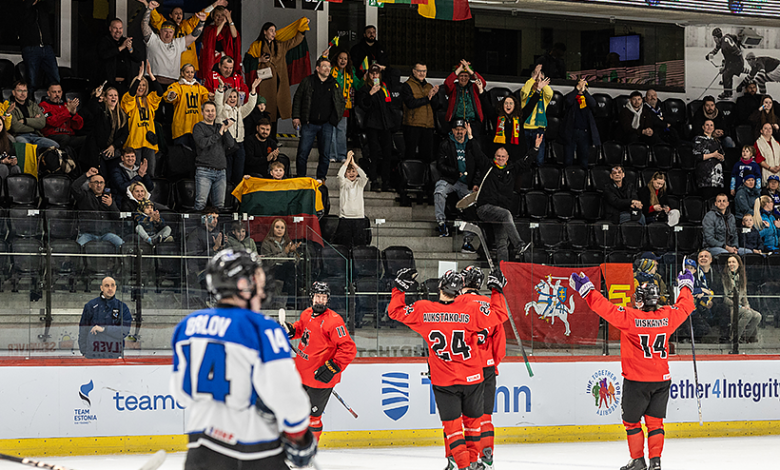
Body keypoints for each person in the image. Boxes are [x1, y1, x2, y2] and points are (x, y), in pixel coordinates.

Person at [170, 249, 317, 470]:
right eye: (257, 275)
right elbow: (288, 398)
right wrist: (299, 436)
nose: (263, 281)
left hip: (201, 452)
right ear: (242, 284)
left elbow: (180, 393)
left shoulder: (187, 327)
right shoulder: (261, 328)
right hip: (255, 454)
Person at [568, 269, 695, 470]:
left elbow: (604, 307)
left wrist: (587, 289)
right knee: (656, 424)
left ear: (641, 301)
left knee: (632, 422)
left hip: (637, 380)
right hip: (661, 380)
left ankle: (638, 460)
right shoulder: (668, 316)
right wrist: (686, 285)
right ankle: (656, 462)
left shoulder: (630, 318)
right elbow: (686, 305)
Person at [388, 268, 508, 470]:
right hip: (476, 374)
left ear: (441, 287)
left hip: (445, 377)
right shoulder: (471, 309)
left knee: (452, 428)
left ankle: (458, 463)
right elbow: (500, 325)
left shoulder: (426, 310)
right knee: (476, 425)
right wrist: (497, 291)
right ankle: (480, 461)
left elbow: (395, 312)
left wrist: (399, 289)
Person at [282, 282, 357, 442]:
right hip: (301, 375)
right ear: (312, 298)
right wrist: (291, 329)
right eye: (318, 297)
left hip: (320, 378)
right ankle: (294, 445)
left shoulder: (334, 321)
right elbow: (302, 329)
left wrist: (333, 367)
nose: (320, 301)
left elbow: (349, 349)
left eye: (324, 298)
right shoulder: (307, 313)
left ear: (328, 300)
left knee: (312, 418)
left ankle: (309, 451)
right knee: (296, 412)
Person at [460, 266, 505, 470]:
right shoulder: (491, 305)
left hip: (464, 368)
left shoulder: (454, 305)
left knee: (466, 418)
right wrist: (492, 363)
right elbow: (500, 345)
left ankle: (469, 460)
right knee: (485, 417)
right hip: (486, 369)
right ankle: (488, 459)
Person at [476, 139, 541, 262]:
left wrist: (535, 149)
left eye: (502, 156)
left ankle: (503, 273)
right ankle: (519, 245)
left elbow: (525, 163)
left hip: (501, 213)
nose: (500, 158)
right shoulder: (488, 166)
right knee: (506, 214)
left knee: (502, 243)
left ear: (507, 158)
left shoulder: (511, 169)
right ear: (494, 157)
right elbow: (478, 154)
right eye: (498, 156)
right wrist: (471, 137)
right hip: (485, 208)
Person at [245, 20, 310, 139]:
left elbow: (295, 41)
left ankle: (272, 141)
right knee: (264, 113)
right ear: (264, 32)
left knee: (276, 113)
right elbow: (247, 61)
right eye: (271, 30)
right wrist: (259, 60)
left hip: (279, 84)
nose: (274, 33)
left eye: (275, 31)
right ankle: (262, 140)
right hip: (264, 85)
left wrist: (302, 28)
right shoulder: (257, 45)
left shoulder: (280, 45)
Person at [292, 57, 345, 180]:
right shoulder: (307, 81)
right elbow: (297, 99)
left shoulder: (334, 83)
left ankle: (321, 179)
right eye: (325, 66)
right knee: (302, 153)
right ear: (317, 68)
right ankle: (301, 179)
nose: (328, 69)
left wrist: (334, 120)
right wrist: (296, 117)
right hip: (309, 123)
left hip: (327, 124)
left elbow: (340, 102)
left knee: (325, 155)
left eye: (329, 66)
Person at [433, 119, 479, 249]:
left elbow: (479, 165)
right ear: (452, 131)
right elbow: (440, 165)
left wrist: (475, 183)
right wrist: (454, 172)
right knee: (439, 192)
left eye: (462, 129)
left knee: (473, 203)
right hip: (450, 179)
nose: (459, 132)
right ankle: (441, 223)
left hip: (467, 183)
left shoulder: (472, 144)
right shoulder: (446, 144)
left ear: (466, 130)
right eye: (457, 130)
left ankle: (467, 241)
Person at [139, 0, 206, 86]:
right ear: (160, 31)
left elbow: (194, 35)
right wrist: (149, 9)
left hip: (172, 84)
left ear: (173, 33)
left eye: (170, 32)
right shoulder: (153, 40)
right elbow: (144, 24)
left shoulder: (178, 43)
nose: (168, 34)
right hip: (153, 81)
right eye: (165, 31)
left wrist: (202, 22)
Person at [151, 0, 227, 73]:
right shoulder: (165, 25)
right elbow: (155, 17)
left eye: (180, 13)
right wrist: (150, 6)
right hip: (171, 65)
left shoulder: (188, 24)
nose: (179, 15)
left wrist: (215, 4)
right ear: (170, 15)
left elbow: (202, 14)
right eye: (176, 13)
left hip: (189, 65)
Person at [357, 64, 398, 191]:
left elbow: (395, 73)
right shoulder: (365, 89)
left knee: (387, 154)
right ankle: (374, 180)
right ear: (368, 75)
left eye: (377, 73)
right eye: (372, 73)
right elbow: (363, 106)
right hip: (372, 124)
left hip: (385, 124)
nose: (375, 75)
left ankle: (386, 182)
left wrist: (384, 67)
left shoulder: (384, 87)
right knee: (373, 153)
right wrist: (370, 94)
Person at [216, 76, 262, 184]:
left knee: (238, 173)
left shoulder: (239, 111)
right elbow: (218, 102)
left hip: (239, 144)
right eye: (230, 97)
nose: (232, 99)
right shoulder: (221, 110)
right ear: (226, 98)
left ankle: (236, 198)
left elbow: (250, 106)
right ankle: (226, 196)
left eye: (235, 97)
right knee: (227, 174)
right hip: (226, 144)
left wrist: (253, 90)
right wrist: (220, 89)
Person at [192, 101, 236, 211]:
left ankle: (219, 228)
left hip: (221, 171)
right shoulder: (198, 127)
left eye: (213, 111)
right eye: (207, 111)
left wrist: (225, 130)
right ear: (202, 112)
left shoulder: (220, 127)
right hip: (204, 170)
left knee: (220, 206)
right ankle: (195, 228)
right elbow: (202, 143)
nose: (210, 113)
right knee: (200, 204)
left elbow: (231, 144)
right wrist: (219, 133)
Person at [122, 62, 163, 179]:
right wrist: (139, 76)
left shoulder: (149, 100)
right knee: (134, 175)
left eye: (144, 85)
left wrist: (150, 75)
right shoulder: (128, 99)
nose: (141, 87)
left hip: (149, 142)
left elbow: (160, 92)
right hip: (134, 142)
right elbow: (131, 93)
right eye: (139, 84)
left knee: (150, 174)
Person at [324, 48, 363, 163]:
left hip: (344, 106)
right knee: (331, 130)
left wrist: (364, 80)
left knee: (341, 131)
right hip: (330, 105)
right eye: (341, 58)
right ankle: (331, 154)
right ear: (336, 59)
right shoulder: (330, 70)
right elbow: (320, 70)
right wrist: (323, 58)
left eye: (345, 59)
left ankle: (341, 155)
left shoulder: (350, 72)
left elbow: (358, 86)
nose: (343, 60)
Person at [78, 277, 132, 359]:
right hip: (93, 354)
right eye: (107, 285)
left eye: (112, 285)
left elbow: (124, 330)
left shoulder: (122, 307)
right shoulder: (91, 305)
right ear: (101, 288)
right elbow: (83, 330)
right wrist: (84, 351)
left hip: (114, 353)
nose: (110, 288)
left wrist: (104, 329)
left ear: (116, 287)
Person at [71, 167, 123, 248]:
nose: (99, 185)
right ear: (90, 185)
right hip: (87, 234)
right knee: (78, 247)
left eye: (101, 183)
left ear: (104, 185)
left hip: (107, 234)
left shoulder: (108, 198)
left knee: (122, 245)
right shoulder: (84, 196)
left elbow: (116, 216)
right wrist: (87, 175)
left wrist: (111, 205)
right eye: (96, 182)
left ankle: (121, 261)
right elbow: (74, 187)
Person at [82, 84, 128, 170]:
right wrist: (96, 97)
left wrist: (114, 146)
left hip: (112, 151)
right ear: (105, 98)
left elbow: (124, 134)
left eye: (115, 95)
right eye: (110, 95)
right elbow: (91, 108)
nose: (113, 97)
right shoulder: (101, 110)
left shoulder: (122, 115)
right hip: (97, 151)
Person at [164, 64, 211, 149]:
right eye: (187, 72)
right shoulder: (176, 86)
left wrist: (211, 97)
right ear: (182, 73)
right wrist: (172, 95)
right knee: (182, 157)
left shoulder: (200, 87)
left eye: (192, 72)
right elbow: (168, 95)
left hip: (197, 128)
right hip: (181, 128)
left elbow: (206, 98)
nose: (190, 74)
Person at [19, 0, 60, 89]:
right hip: (30, 47)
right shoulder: (22, 6)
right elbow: (24, 10)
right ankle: (31, 102)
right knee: (32, 81)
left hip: (46, 46)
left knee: (55, 78)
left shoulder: (41, 6)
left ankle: (55, 101)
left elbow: (50, 5)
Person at [401, 62, 438, 161]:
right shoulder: (407, 85)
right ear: (413, 71)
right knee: (410, 155)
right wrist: (427, 98)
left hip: (428, 125)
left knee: (427, 156)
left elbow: (436, 106)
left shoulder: (429, 86)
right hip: (413, 125)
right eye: (419, 71)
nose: (422, 73)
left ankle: (425, 176)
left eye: (424, 71)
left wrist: (434, 96)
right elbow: (410, 103)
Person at [721, 254, 762, 342]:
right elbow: (724, 298)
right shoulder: (724, 278)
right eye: (729, 262)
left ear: (739, 264)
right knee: (748, 314)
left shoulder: (742, 278)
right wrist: (738, 306)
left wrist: (747, 305)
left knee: (757, 316)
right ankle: (735, 337)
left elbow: (745, 296)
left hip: (740, 306)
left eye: (733, 262)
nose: (731, 264)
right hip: (730, 306)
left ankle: (745, 337)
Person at [97, 18, 143, 96]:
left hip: (125, 84)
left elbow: (138, 58)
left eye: (120, 28)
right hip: (109, 84)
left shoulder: (125, 41)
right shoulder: (104, 41)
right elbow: (104, 55)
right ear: (110, 29)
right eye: (115, 28)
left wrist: (130, 49)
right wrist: (121, 47)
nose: (118, 31)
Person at [444, 60, 487, 144]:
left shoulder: (474, 87)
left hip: (473, 122)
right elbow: (447, 83)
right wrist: (459, 69)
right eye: (461, 76)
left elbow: (483, 82)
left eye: (466, 76)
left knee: (475, 145)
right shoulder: (453, 87)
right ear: (458, 77)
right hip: (456, 121)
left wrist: (470, 71)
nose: (463, 78)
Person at [561, 79, 600, 168]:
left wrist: (584, 92)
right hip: (571, 132)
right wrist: (576, 90)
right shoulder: (571, 97)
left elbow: (593, 104)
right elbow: (568, 101)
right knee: (568, 159)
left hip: (584, 133)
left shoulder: (588, 99)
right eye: (579, 86)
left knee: (583, 160)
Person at [184, 207, 225, 293]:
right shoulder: (195, 235)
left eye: (217, 218)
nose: (215, 220)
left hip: (214, 269)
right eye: (212, 217)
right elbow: (195, 259)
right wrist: (214, 248)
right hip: (200, 272)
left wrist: (222, 248)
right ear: (204, 219)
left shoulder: (216, 233)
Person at [8, 81, 59, 149]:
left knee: (55, 145)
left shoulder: (33, 104)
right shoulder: (9, 106)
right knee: (27, 147)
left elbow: (42, 123)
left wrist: (25, 121)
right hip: (20, 136)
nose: (23, 94)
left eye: (25, 91)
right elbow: (15, 127)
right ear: (14, 92)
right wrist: (34, 123)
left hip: (36, 135)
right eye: (19, 91)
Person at [334, 151, 369, 249]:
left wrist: (354, 164)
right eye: (348, 172)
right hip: (345, 217)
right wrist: (347, 161)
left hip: (359, 217)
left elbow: (364, 176)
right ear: (346, 173)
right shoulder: (343, 183)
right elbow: (340, 175)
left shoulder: (360, 183)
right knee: (344, 245)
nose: (351, 173)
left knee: (360, 245)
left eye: (353, 171)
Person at [199, 5, 241, 82]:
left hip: (225, 60)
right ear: (213, 17)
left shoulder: (227, 29)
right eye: (217, 15)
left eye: (222, 15)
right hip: (212, 61)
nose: (219, 17)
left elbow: (235, 35)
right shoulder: (208, 29)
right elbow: (214, 36)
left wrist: (229, 19)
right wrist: (223, 22)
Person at [520, 65, 552, 166]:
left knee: (539, 160)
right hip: (525, 128)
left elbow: (550, 93)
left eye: (541, 80)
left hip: (539, 129)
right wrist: (533, 78)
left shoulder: (544, 96)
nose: (538, 82)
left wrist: (542, 84)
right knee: (524, 159)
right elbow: (524, 91)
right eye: (536, 80)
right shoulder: (525, 95)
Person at [490, 94, 537, 162]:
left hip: (517, 154)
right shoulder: (496, 118)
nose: (508, 105)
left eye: (511, 103)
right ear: (502, 105)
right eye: (506, 103)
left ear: (515, 105)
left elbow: (530, 105)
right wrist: (481, 91)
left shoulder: (520, 117)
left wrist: (538, 91)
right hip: (502, 156)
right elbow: (486, 106)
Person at [674, 259, 711, 344]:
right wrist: (700, 290)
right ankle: (684, 339)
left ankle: (696, 340)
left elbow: (707, 292)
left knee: (705, 328)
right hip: (682, 311)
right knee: (685, 328)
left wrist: (702, 294)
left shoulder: (697, 281)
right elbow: (683, 290)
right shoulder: (680, 279)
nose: (688, 270)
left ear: (694, 270)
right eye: (687, 268)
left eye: (691, 268)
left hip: (694, 310)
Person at [40, 83, 85, 151]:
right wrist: (68, 110)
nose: (57, 94)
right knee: (65, 138)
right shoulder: (43, 106)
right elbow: (52, 122)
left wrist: (73, 114)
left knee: (88, 139)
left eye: (59, 92)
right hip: (52, 136)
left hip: (69, 136)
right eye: (54, 92)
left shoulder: (66, 105)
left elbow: (78, 126)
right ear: (48, 93)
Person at [705, 27, 744, 100]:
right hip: (737, 59)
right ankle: (728, 90)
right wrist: (710, 54)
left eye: (714, 38)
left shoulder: (724, 46)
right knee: (727, 73)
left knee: (726, 74)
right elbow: (734, 37)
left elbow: (729, 59)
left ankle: (727, 93)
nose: (714, 40)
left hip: (737, 61)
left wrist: (724, 68)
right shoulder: (725, 37)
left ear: (716, 38)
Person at [693, 119, 726, 200]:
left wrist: (721, 157)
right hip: (705, 175)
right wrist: (713, 155)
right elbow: (697, 156)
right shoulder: (699, 139)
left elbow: (722, 154)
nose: (709, 127)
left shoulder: (716, 141)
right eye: (707, 125)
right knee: (707, 198)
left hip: (717, 176)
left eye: (711, 125)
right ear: (703, 127)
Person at [0, 119, 21, 183]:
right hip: (2, 166)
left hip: (6, 164)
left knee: (15, 168)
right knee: (3, 168)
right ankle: (2, 191)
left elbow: (12, 154)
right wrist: (2, 161)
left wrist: (13, 161)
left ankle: (16, 191)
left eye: (0, 125)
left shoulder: (6, 140)